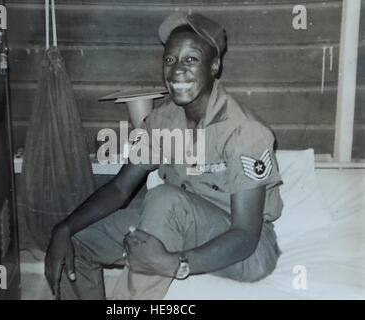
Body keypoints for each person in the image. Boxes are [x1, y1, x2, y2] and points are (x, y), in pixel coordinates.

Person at [45, 12, 283, 300]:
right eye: (169, 60)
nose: (177, 71)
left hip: (248, 249)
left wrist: (177, 263)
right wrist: (64, 227)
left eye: (191, 60)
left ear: (214, 65)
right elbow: (121, 187)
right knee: (77, 241)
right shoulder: (162, 120)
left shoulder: (244, 130)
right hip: (181, 222)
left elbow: (245, 236)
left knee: (165, 199)